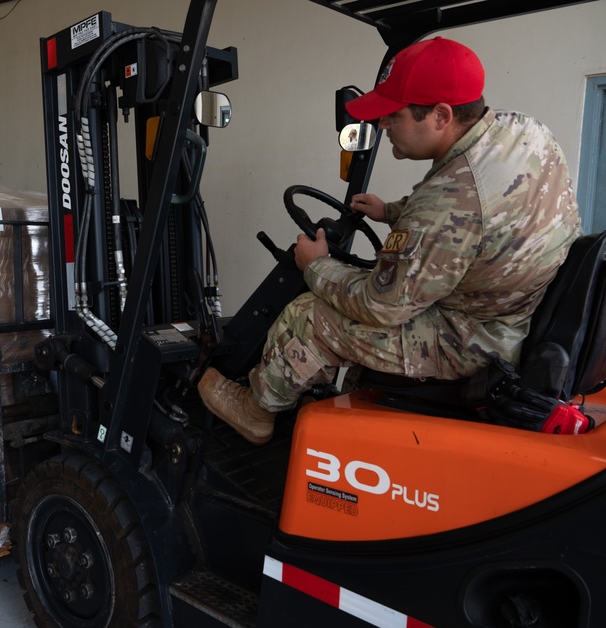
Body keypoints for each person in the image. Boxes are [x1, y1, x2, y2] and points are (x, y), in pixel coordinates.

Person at [198, 37, 582, 444]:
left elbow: (379, 307)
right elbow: (484, 215)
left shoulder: (449, 202)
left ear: (440, 115)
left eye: (392, 116)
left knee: (310, 315)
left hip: (475, 341)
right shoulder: (524, 132)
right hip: (514, 310)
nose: (382, 125)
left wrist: (314, 264)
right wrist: (393, 213)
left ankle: (256, 412)